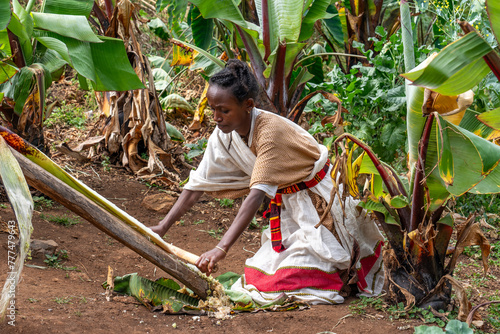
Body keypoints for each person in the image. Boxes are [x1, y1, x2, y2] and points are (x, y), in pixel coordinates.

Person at [151, 59, 384, 305]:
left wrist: (220, 249)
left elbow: (255, 196)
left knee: (289, 281)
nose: (216, 117)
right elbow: (197, 185)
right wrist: (162, 228)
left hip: (320, 209)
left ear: (248, 105)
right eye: (213, 109)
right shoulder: (224, 135)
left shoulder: (270, 133)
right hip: (290, 209)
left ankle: (338, 267)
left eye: (224, 110)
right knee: (259, 278)